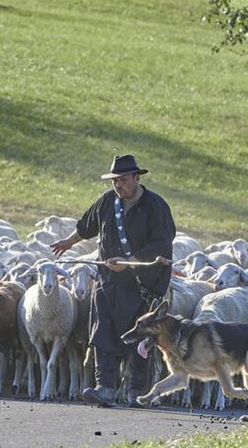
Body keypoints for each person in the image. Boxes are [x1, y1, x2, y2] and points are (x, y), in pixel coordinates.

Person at [51, 154, 176, 407]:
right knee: (102, 333)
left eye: (122, 180)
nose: (118, 185)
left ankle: (136, 391)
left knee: (140, 337)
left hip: (142, 285)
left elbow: (162, 243)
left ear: (136, 178)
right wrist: (68, 242)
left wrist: (129, 261)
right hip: (108, 282)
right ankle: (105, 388)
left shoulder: (155, 206)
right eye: (114, 180)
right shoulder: (108, 201)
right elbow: (86, 226)